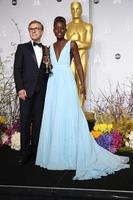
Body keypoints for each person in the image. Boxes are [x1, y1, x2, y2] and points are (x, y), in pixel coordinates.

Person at [35, 16, 129, 180]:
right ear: (53, 29)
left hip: (66, 83)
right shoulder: (48, 48)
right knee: (55, 116)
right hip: (53, 83)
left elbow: (78, 64)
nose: (59, 30)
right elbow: (46, 68)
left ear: (66, 29)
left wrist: (82, 84)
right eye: (56, 28)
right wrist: (45, 65)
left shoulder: (72, 44)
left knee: (70, 115)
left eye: (61, 28)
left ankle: (72, 153)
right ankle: (56, 155)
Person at [14, 20, 49, 165]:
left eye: (37, 28)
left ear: (42, 31)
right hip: (26, 92)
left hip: (41, 92)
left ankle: (36, 152)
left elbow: (47, 71)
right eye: (31, 29)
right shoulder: (22, 48)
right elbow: (17, 69)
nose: (34, 31)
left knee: (38, 122)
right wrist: (20, 88)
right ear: (29, 31)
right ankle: (24, 153)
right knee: (25, 122)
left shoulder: (47, 49)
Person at [65, 1, 93, 106]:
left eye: (77, 8)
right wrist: (77, 42)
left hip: (82, 55)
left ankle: (81, 109)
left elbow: (88, 44)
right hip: (70, 56)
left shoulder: (88, 26)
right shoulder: (66, 27)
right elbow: (65, 45)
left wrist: (73, 42)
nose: (75, 11)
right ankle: (72, 107)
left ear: (81, 10)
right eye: (73, 9)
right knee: (71, 81)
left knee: (82, 82)